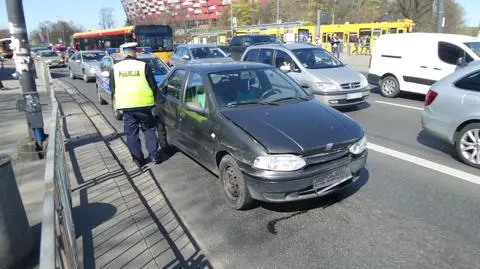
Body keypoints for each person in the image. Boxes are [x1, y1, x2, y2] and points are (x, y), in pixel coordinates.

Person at [110, 42, 160, 168]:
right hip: (145, 106)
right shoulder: (144, 66)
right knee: (149, 130)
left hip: (127, 107)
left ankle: (138, 160)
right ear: (135, 52)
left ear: (123, 53)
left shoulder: (115, 68)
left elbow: (113, 88)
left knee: (131, 134)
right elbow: (153, 86)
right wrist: (153, 100)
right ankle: (154, 155)